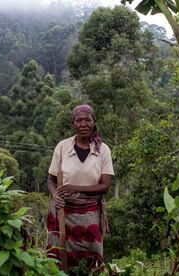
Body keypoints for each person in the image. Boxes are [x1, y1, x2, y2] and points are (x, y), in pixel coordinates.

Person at [47, 104, 114, 272]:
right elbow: (51, 180)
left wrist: (73, 188)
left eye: (87, 120)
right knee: (59, 257)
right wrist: (56, 195)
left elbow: (105, 186)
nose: (83, 124)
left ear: (94, 122)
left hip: (89, 212)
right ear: (73, 124)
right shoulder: (62, 147)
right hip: (62, 210)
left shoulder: (103, 150)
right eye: (79, 120)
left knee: (92, 257)